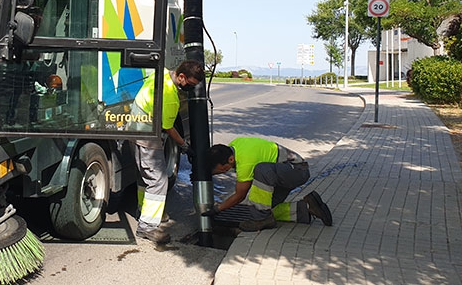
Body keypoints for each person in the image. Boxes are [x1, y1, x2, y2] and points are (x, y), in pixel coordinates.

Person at [131, 60, 205, 244]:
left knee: (144, 176)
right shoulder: (171, 97)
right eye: (189, 84)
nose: (189, 88)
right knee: (159, 181)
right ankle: (147, 227)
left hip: (133, 127)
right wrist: (185, 146)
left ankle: (144, 209)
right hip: (148, 133)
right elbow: (169, 128)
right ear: (181, 77)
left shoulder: (162, 72)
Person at [203, 136, 333, 232]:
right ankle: (308, 207)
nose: (223, 172)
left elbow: (239, 196)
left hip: (297, 170)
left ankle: (261, 220)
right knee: (264, 208)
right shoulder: (234, 147)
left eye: (222, 169)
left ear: (230, 159)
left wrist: (217, 209)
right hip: (281, 174)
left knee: (261, 170)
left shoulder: (245, 161)